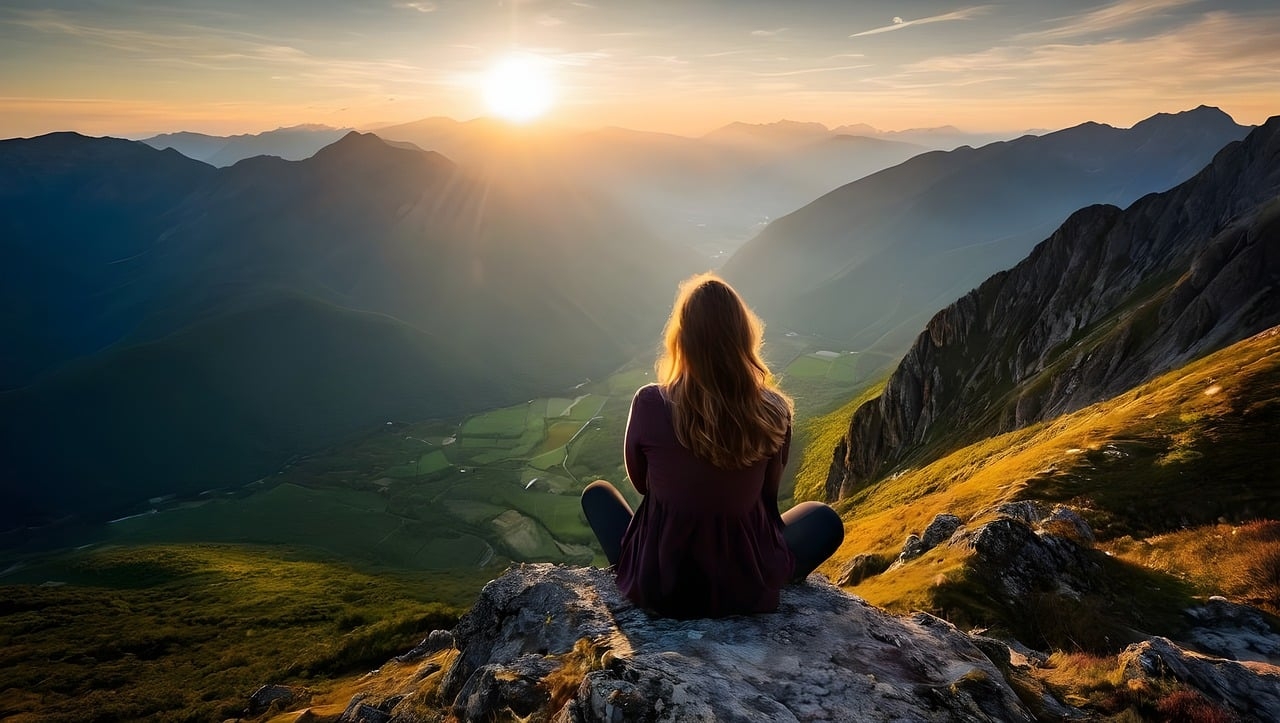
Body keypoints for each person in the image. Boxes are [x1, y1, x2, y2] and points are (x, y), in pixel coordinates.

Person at [581, 272, 844, 619]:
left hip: (662, 585)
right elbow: (767, 498)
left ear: (682, 339)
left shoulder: (649, 402)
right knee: (824, 520)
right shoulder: (774, 410)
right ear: (743, 337)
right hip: (742, 585)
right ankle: (765, 572)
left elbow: (643, 485)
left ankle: (634, 569)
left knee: (597, 495)